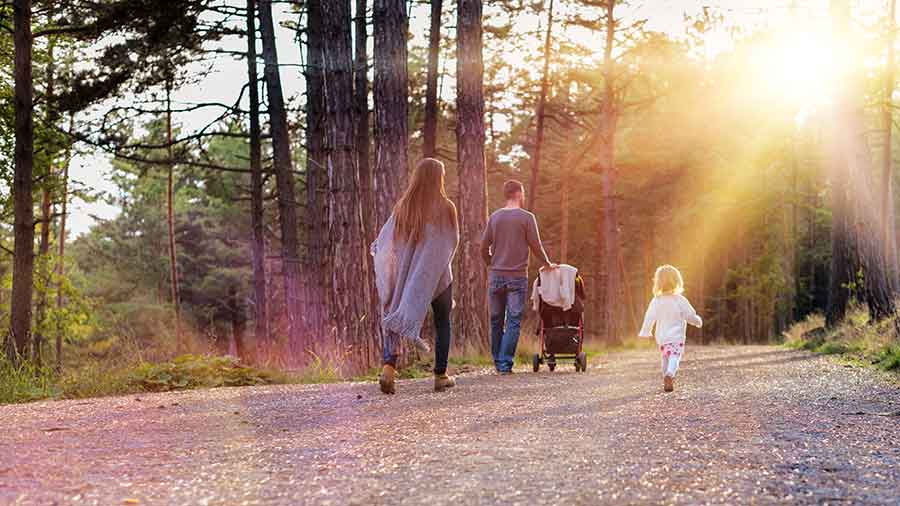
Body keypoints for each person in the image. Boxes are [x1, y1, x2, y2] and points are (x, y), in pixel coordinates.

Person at [371, 158, 459, 394]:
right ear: (438, 178)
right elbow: (451, 241)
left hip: (407, 276)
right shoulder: (446, 207)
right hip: (438, 275)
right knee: (442, 322)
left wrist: (398, 270)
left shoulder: (404, 206)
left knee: (395, 314)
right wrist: (433, 263)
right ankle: (440, 375)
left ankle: (389, 368)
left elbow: (388, 240)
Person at [480, 180, 557, 374]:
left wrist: (491, 264)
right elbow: (536, 245)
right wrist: (547, 263)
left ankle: (498, 361)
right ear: (519, 194)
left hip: (496, 276)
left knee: (496, 320)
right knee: (513, 321)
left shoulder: (495, 217)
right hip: (517, 277)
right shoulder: (527, 218)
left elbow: (483, 246)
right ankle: (504, 364)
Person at [638, 265, 703, 392]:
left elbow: (649, 317)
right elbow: (690, 315)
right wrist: (698, 321)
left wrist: (645, 332)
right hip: (676, 336)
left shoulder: (656, 301)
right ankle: (670, 374)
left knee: (665, 357)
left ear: (658, 283)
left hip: (662, 337)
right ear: (677, 281)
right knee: (675, 356)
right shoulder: (679, 300)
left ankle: (665, 377)